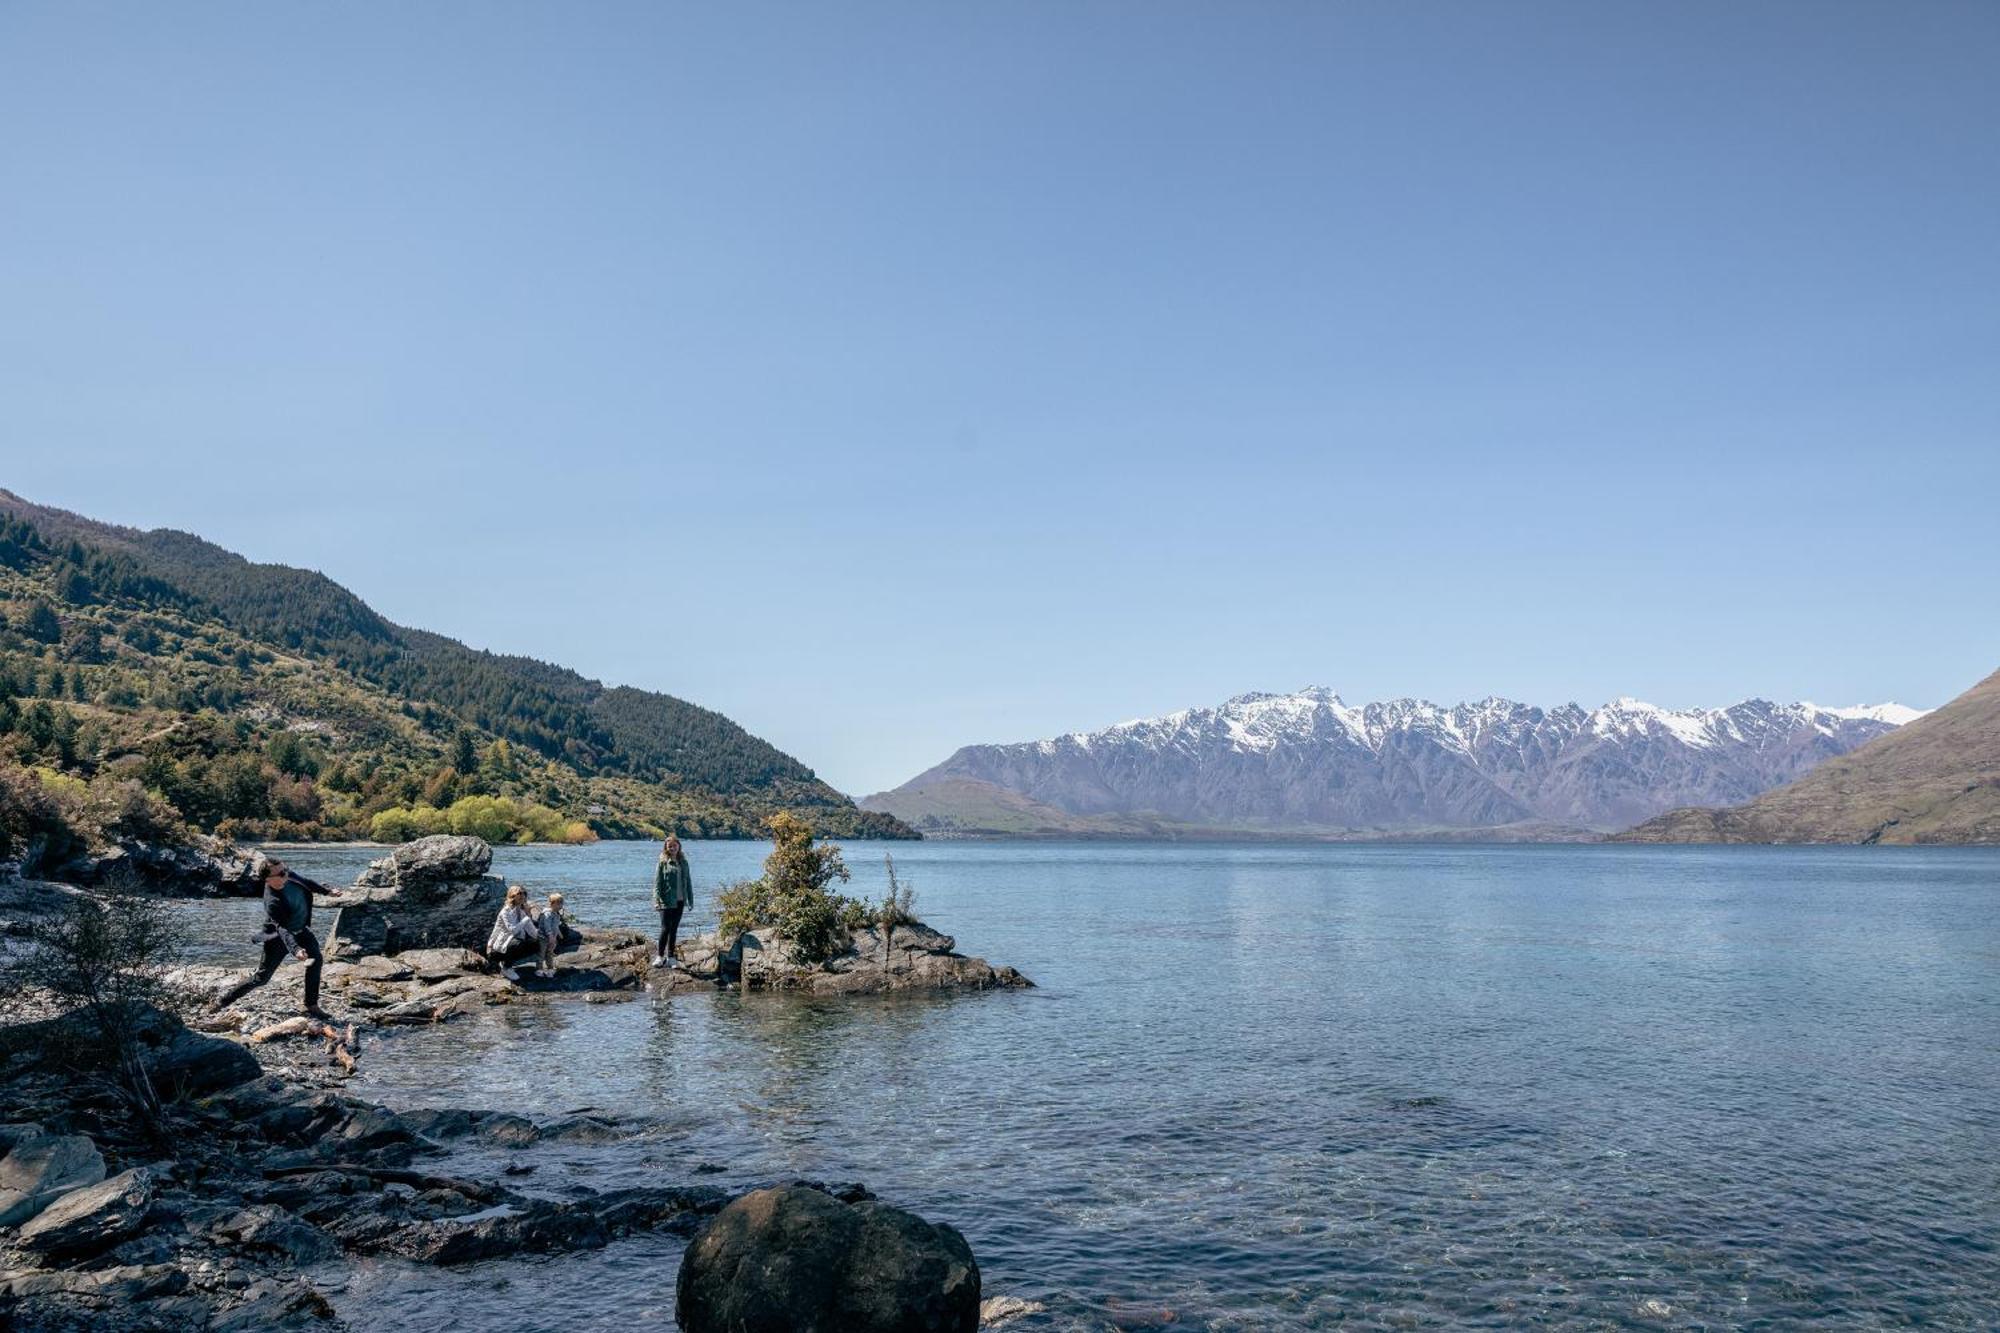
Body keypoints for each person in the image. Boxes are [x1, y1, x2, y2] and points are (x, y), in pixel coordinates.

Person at [216, 858, 340, 1017]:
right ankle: (224, 1001)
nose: (286, 874)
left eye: (286, 869)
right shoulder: (273, 900)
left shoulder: (289, 875)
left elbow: (307, 882)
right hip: (278, 938)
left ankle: (311, 1004)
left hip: (301, 930)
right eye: (281, 873)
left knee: (316, 960)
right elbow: (282, 928)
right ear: (268, 879)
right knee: (261, 978)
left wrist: (327, 891)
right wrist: (295, 949)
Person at [485, 885, 542, 981]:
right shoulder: (505, 911)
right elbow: (513, 930)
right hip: (496, 948)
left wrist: (546, 936)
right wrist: (526, 919)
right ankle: (506, 968)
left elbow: (533, 932)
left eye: (524, 893)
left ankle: (507, 962)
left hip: (508, 946)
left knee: (537, 943)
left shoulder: (520, 911)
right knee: (518, 943)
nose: (522, 895)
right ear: (512, 896)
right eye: (519, 893)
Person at [653, 835, 693, 969]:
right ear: (666, 847)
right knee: (665, 929)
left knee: (674, 929)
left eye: (675, 845)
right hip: (666, 901)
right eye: (670, 846)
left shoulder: (684, 862)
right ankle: (659, 957)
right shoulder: (662, 862)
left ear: (679, 846)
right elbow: (657, 883)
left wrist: (690, 900)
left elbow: (688, 882)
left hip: (680, 900)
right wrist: (657, 900)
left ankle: (671, 958)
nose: (672, 848)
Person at [533, 891, 566, 978]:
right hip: (543, 937)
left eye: (561, 904)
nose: (561, 906)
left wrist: (559, 934)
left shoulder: (556, 914)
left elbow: (555, 925)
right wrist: (550, 936)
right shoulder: (547, 914)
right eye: (559, 904)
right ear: (552, 904)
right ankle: (539, 969)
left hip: (552, 937)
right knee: (542, 953)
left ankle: (550, 968)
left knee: (550, 953)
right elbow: (547, 926)